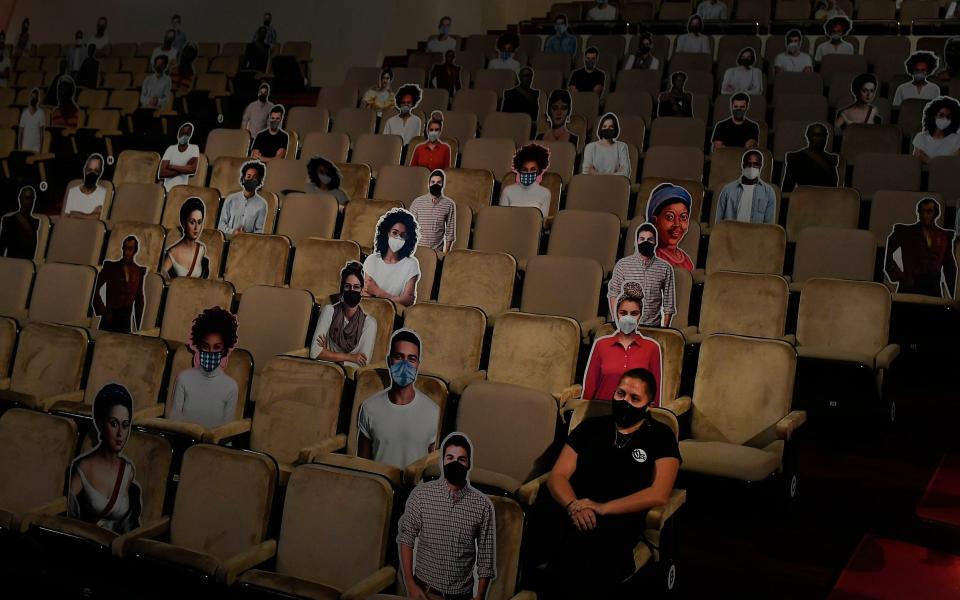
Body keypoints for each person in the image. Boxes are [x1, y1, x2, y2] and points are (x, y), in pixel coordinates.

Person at [540, 368, 680, 600]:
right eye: (620, 394)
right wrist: (573, 505)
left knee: (584, 556)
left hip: (617, 516)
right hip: (572, 508)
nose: (625, 401)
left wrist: (602, 508)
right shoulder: (591, 427)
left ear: (648, 405)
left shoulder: (660, 435)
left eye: (635, 398)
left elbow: (659, 493)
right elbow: (558, 475)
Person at [398, 433, 496, 600]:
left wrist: (480, 595)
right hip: (426, 592)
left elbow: (486, 556)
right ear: (442, 461)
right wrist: (409, 583)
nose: (455, 463)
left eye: (461, 459)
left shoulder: (483, 505)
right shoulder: (422, 495)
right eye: (450, 457)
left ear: (469, 464)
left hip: (461, 595)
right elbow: (406, 537)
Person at [358, 329, 439, 468]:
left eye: (411, 359)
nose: (404, 365)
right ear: (389, 361)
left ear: (418, 364)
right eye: (399, 357)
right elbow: (362, 467)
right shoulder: (369, 408)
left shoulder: (434, 412)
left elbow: (433, 467)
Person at [68, 384, 143, 535]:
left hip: (115, 548)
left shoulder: (128, 470)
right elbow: (65, 512)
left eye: (125, 425)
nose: (120, 433)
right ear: (102, 424)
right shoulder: (83, 467)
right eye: (114, 424)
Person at [583, 283, 662, 404]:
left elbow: (654, 395)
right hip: (602, 412)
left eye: (634, 313)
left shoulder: (652, 348)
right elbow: (589, 388)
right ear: (617, 314)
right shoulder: (601, 345)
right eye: (623, 313)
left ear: (640, 316)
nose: (628, 318)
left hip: (634, 415)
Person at [170, 307, 240, 429]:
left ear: (224, 350)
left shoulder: (231, 386)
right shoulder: (184, 378)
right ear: (199, 346)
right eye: (206, 346)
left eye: (217, 347)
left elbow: (226, 431)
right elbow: (174, 419)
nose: (211, 351)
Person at [884, 198, 957, 298]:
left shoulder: (944, 236)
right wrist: (901, 277)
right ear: (918, 213)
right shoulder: (904, 232)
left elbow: (949, 267)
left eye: (929, 211)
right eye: (922, 211)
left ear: (935, 213)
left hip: (933, 287)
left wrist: (954, 295)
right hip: (910, 285)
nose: (925, 215)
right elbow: (887, 257)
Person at [310, 261, 378, 369]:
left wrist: (326, 355)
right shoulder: (329, 311)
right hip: (322, 371)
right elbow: (314, 353)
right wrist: (351, 357)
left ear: (361, 291)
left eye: (356, 287)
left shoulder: (369, 323)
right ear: (342, 290)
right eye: (347, 286)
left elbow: (363, 363)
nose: (352, 291)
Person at [608, 224, 676, 327]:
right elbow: (613, 294)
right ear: (636, 242)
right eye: (642, 239)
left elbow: (669, 303)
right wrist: (616, 322)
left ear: (655, 242)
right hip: (627, 325)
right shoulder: (622, 265)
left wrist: (665, 329)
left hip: (653, 327)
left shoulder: (665, 268)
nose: (646, 242)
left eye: (650, 239)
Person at [363, 208, 421, 306]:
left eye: (402, 235)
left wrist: (378, 292)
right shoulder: (372, 260)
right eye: (394, 233)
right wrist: (397, 299)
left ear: (408, 238)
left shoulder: (411, 264)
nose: (398, 238)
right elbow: (367, 295)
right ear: (387, 233)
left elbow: (407, 301)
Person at [93, 236, 146, 334]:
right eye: (125, 248)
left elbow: (139, 298)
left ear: (135, 251)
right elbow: (95, 289)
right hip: (110, 316)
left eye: (130, 249)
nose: (126, 252)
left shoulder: (138, 271)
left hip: (125, 319)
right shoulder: (111, 267)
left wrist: (138, 326)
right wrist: (103, 310)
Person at [715, 149, 776, 225]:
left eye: (755, 164)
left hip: (754, 235)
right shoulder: (728, 190)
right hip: (731, 235)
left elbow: (769, 225)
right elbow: (718, 222)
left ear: (760, 166)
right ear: (743, 165)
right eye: (748, 163)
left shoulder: (768, 192)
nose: (751, 167)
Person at [645, 183, 695, 271]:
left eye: (683, 217)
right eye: (669, 217)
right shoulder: (652, 258)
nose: (677, 224)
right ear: (654, 221)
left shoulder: (686, 260)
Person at [781, 122, 840, 192]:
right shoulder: (796, 158)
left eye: (824, 135)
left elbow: (833, 189)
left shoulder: (831, 160)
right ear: (808, 136)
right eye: (817, 135)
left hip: (826, 199)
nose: (821, 138)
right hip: (805, 199)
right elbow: (787, 189)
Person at [500, 143, 553, 219]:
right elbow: (501, 218)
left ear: (539, 171)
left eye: (533, 169)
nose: (528, 172)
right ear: (520, 170)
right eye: (525, 169)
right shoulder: (508, 191)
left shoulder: (545, 193)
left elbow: (542, 222)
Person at [162, 197, 209, 279]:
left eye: (199, 222)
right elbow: (162, 279)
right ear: (183, 223)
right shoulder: (172, 253)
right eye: (192, 222)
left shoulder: (201, 249)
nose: (196, 227)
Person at [410, 170, 456, 253]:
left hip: (437, 252)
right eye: (433, 182)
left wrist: (445, 254)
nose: (435, 184)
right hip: (418, 250)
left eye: (438, 182)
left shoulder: (449, 205)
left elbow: (450, 232)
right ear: (428, 184)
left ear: (443, 185)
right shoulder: (417, 202)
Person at [219, 160, 268, 235]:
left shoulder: (262, 204)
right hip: (228, 239)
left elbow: (259, 231)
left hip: (247, 244)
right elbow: (221, 225)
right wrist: (233, 232)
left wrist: (246, 236)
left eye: (254, 177)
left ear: (258, 181)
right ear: (243, 178)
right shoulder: (231, 199)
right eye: (248, 176)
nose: (251, 179)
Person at [912, 96, 960, 163]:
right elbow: (915, 166)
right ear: (933, 115)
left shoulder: (956, 139)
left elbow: (953, 166)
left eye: (948, 117)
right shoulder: (921, 137)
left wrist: (928, 160)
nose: (944, 119)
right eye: (941, 115)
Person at [583, 113, 631, 177]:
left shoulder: (622, 147)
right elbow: (586, 172)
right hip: (594, 184)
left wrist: (597, 174)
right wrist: (616, 173)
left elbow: (626, 172)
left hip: (615, 184)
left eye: (611, 127)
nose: (607, 129)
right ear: (600, 128)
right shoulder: (590, 147)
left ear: (615, 129)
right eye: (604, 126)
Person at [0, 186, 39, 260]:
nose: (30, 202)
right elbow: (1, 248)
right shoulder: (9, 221)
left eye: (32, 199)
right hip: (14, 265)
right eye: (27, 198)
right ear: (20, 199)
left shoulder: (35, 222)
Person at [159, 122, 200, 191]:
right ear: (178, 134)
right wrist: (184, 168)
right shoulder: (170, 149)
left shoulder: (194, 148)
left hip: (181, 191)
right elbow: (161, 173)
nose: (184, 136)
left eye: (187, 133)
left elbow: (192, 169)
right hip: (166, 190)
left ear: (190, 135)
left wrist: (172, 166)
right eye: (182, 133)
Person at [63, 153, 106, 219]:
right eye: (89, 170)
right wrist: (91, 215)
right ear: (85, 170)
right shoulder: (72, 192)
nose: (92, 174)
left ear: (100, 173)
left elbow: (97, 217)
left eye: (95, 171)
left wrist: (75, 214)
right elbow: (65, 217)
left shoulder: (104, 193)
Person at [18, 87, 44, 153]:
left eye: (35, 97)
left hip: (36, 149)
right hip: (25, 149)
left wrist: (40, 150)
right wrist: (20, 149)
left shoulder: (41, 113)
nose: (33, 99)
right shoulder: (24, 114)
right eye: (32, 97)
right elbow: (20, 132)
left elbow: (41, 134)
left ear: (38, 99)